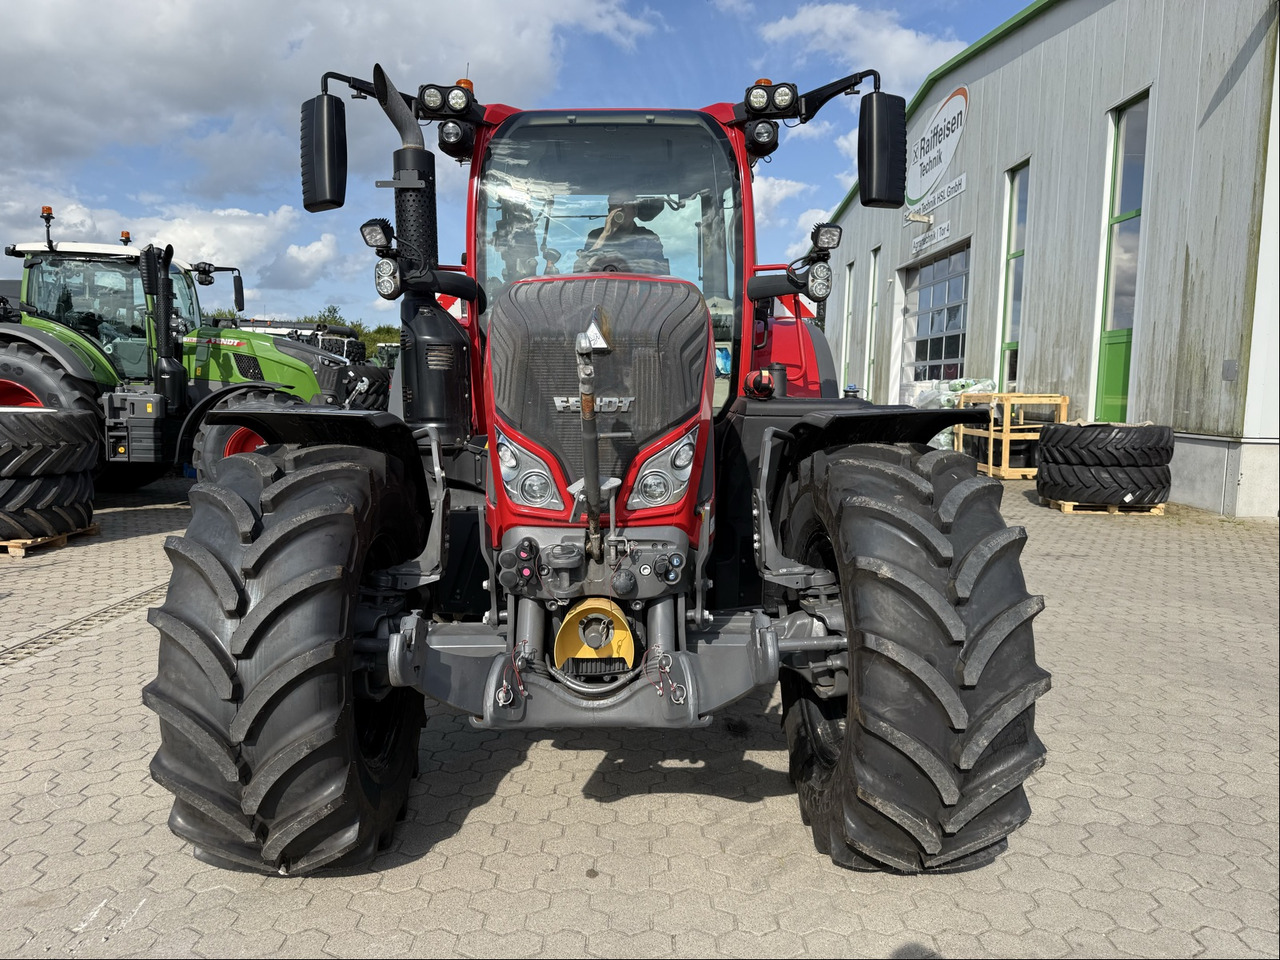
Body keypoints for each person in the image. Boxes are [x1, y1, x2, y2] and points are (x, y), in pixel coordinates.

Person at [575, 191, 667, 274]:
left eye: (625, 203)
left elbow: (659, 272)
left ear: (635, 210)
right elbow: (581, 270)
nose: (620, 208)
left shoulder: (648, 238)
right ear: (609, 212)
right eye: (615, 204)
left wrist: (628, 263)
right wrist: (604, 235)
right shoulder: (595, 236)